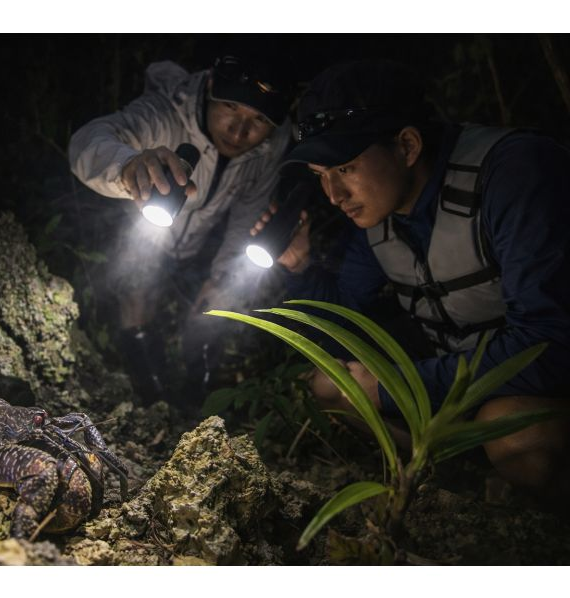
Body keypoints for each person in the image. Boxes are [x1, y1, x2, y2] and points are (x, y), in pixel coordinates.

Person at [269, 59, 570, 492]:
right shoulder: (380, 217)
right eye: (321, 177)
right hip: (456, 377)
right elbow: (343, 323)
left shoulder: (515, 174)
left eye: (345, 168)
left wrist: (397, 388)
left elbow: (551, 342)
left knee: (517, 431)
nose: (334, 196)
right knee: (330, 382)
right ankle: (451, 484)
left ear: (407, 146)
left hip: (538, 383)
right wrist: (298, 266)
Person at [69, 55, 293, 407]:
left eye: (259, 119)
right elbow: (87, 143)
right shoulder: (167, 113)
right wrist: (128, 167)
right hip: (144, 231)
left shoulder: (270, 148)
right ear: (209, 89)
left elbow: (248, 215)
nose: (239, 131)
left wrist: (222, 279)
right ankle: (149, 386)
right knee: (138, 282)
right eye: (231, 107)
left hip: (199, 241)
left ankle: (196, 387)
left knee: (227, 288)